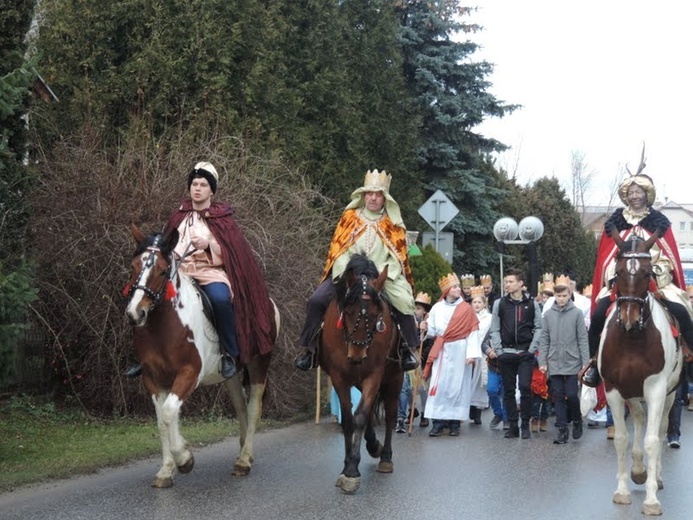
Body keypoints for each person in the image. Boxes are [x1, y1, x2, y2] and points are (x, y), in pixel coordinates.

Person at [125, 162, 275, 380]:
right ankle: (142, 356)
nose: (197, 188)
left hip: (210, 273)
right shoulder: (179, 217)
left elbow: (234, 254)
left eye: (203, 185)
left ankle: (228, 354)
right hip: (180, 273)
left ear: (211, 190)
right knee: (144, 297)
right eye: (194, 184)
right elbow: (166, 249)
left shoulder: (222, 220)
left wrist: (209, 245)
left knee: (221, 299)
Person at [294, 170, 419, 371]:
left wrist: (386, 275)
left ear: (384, 198)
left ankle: (407, 349)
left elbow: (399, 258)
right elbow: (338, 250)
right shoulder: (349, 218)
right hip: (349, 276)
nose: (373, 198)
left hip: (380, 278)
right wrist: (347, 274)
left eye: (378, 194)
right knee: (316, 300)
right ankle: (310, 350)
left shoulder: (393, 224)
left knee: (404, 302)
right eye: (369, 193)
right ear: (363, 195)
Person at [584, 170, 693, 386]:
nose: (634, 196)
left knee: (682, 311)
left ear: (646, 194)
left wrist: (655, 273)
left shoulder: (659, 222)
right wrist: (616, 277)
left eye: (639, 192)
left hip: (654, 281)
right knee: (597, 316)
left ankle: (689, 362)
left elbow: (667, 257)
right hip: (623, 282)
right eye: (631, 192)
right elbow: (608, 260)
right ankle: (595, 364)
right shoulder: (615, 223)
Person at [421, 273, 482, 437]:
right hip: (442, 350)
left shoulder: (466, 309)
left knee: (458, 385)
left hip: (460, 351)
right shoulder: (437, 308)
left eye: (458, 286)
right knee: (439, 385)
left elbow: (473, 332)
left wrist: (471, 354)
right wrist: (425, 327)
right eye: (455, 287)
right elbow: (432, 331)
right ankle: (438, 423)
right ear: (447, 290)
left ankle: (455, 423)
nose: (458, 289)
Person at [489, 267, 542, 439]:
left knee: (525, 388)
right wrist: (499, 350)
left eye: (511, 282)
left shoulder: (532, 304)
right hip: (506, 352)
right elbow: (495, 329)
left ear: (520, 283)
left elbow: (539, 327)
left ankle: (525, 423)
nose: (507, 285)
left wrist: (532, 349)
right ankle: (513, 425)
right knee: (509, 391)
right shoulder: (500, 304)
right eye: (506, 282)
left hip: (525, 353)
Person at [537, 276, 590, 444]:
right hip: (554, 359)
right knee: (558, 395)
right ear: (554, 296)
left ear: (570, 294)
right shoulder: (548, 315)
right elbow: (544, 338)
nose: (561, 299)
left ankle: (576, 420)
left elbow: (582, 338)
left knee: (572, 395)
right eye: (558, 296)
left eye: (564, 296)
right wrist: (542, 361)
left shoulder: (576, 314)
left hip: (573, 359)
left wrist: (586, 362)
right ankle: (561, 430)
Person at [396, 292, 433, 432]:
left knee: (422, 388)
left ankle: (424, 413)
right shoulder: (407, 322)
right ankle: (408, 412)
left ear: (424, 311)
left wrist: (421, 356)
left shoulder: (428, 325)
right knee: (407, 388)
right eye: (414, 308)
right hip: (407, 358)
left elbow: (429, 344)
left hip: (421, 360)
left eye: (418, 308)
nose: (415, 311)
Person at [469, 286, 491, 425]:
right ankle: (467, 409)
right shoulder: (467, 317)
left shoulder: (489, 318)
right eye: (474, 302)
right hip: (470, 353)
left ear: (484, 304)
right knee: (468, 382)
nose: (477, 305)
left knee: (479, 385)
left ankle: (476, 412)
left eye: (479, 302)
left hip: (482, 354)